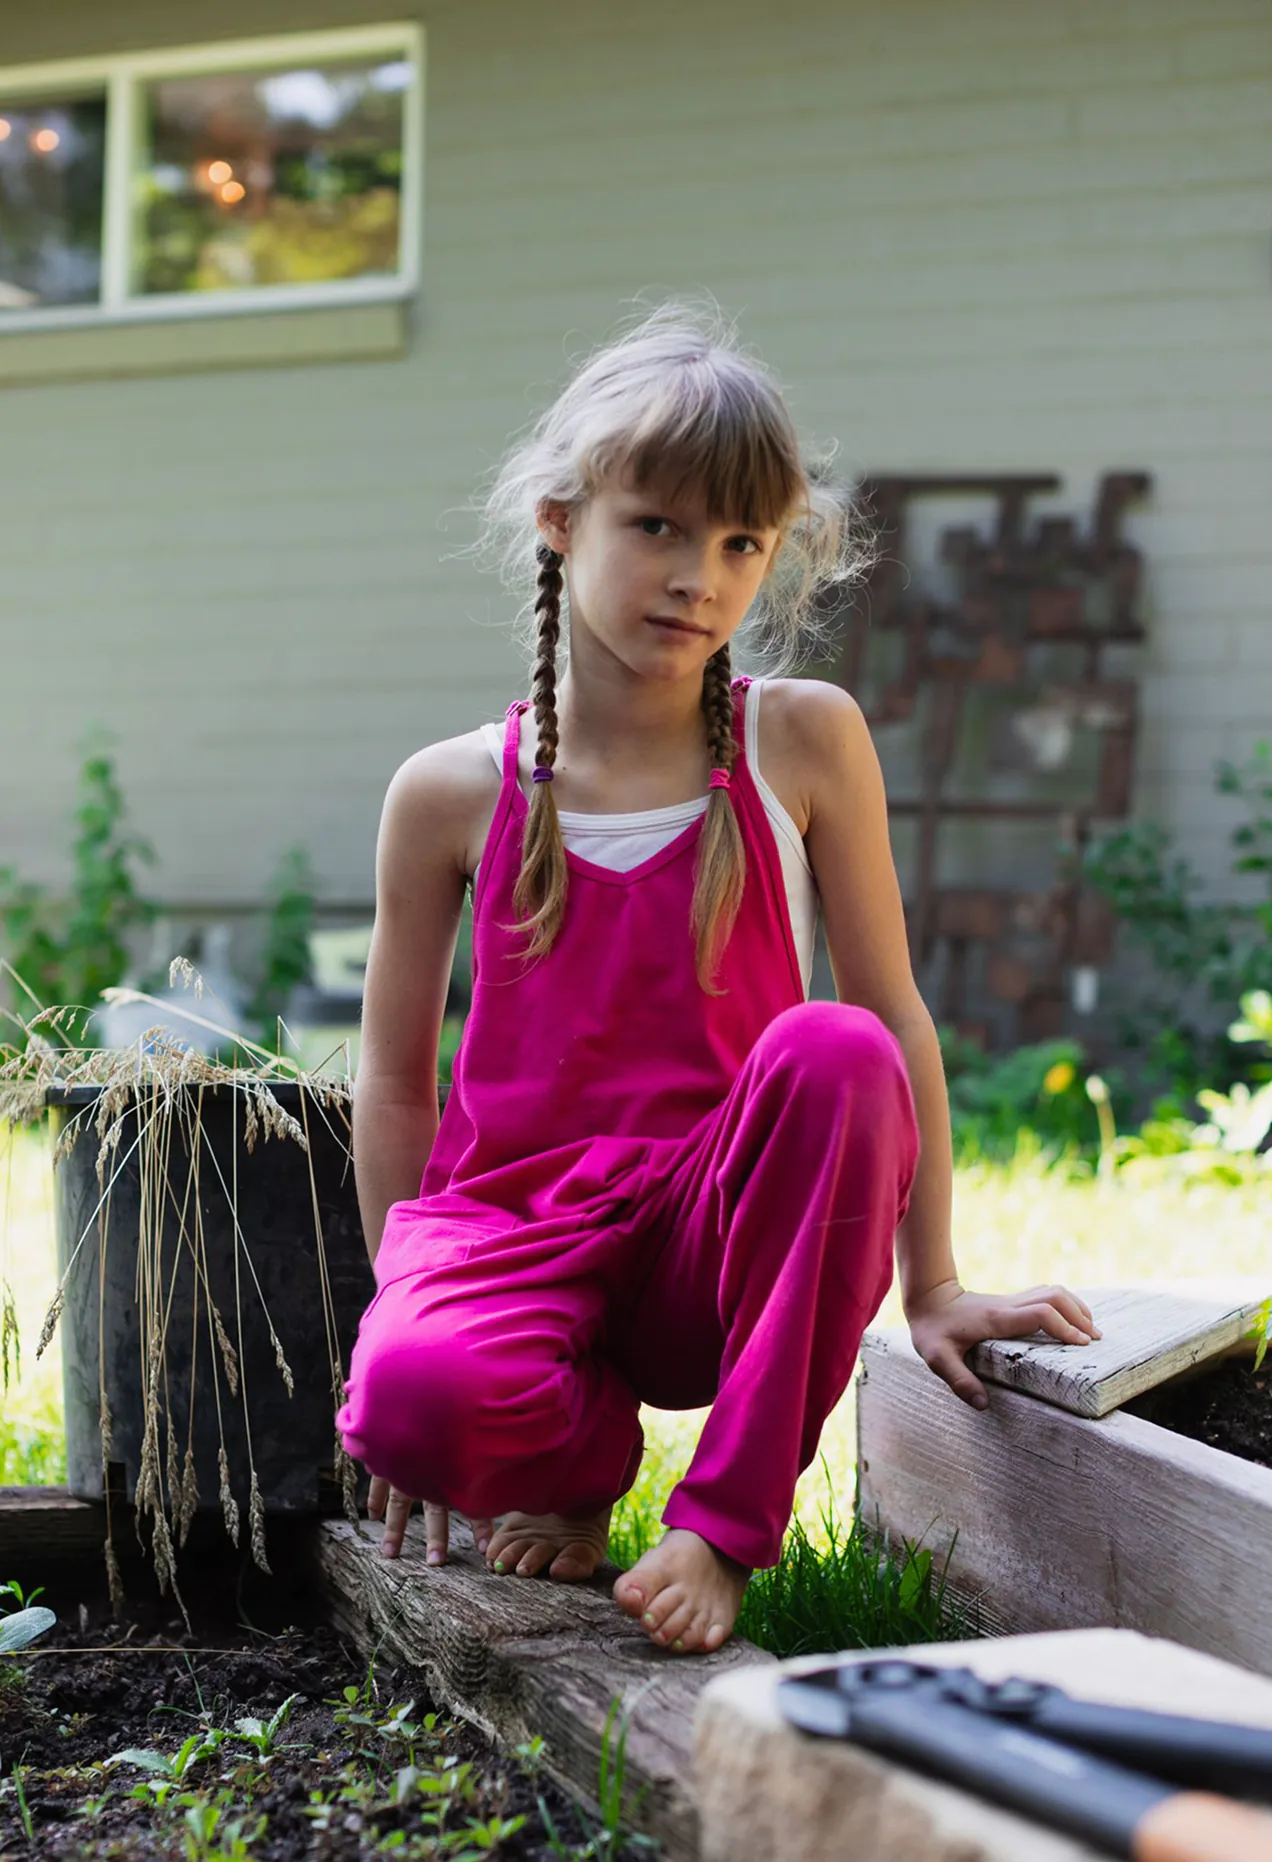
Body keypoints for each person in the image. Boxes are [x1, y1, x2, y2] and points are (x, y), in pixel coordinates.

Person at [337, 304, 1099, 1656]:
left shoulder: (801, 740)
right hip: (519, 1231)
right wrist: (403, 1313)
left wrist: (931, 1282)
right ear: (564, 518)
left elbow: (892, 1013)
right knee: (405, 1395)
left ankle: (724, 1521)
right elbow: (395, 1078)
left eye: (742, 542)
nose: (701, 572)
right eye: (661, 527)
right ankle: (578, 1464)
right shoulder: (450, 790)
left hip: (715, 1234)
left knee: (837, 1048)